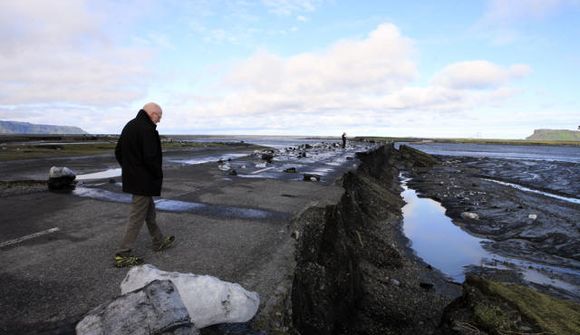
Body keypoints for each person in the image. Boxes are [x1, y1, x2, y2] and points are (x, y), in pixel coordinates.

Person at [113, 102, 175, 267]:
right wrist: (156, 175)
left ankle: (158, 241)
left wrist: (130, 169)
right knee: (137, 216)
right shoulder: (147, 130)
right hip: (144, 180)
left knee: (149, 213)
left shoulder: (130, 125)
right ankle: (122, 253)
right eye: (159, 116)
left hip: (135, 178)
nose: (159, 120)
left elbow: (118, 151)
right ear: (152, 113)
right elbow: (151, 158)